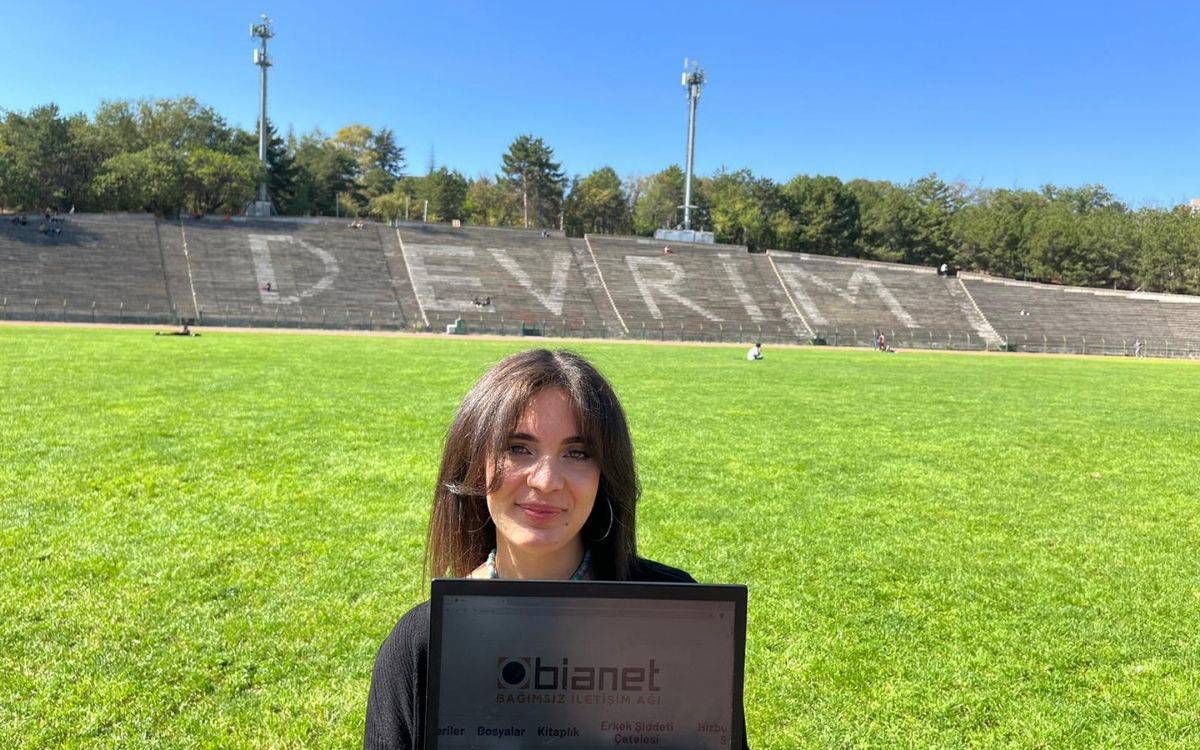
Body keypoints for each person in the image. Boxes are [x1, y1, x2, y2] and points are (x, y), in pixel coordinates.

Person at [364, 349, 748, 749]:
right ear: (476, 461)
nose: (546, 481)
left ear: (605, 474)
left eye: (577, 453)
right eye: (518, 448)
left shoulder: (679, 616)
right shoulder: (420, 643)